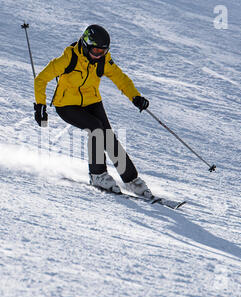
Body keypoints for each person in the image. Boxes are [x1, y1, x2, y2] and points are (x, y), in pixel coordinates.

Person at [33, 24, 152, 197]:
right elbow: (41, 79)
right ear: (85, 44)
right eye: (95, 51)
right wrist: (40, 106)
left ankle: (131, 180)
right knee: (95, 128)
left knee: (108, 135)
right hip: (67, 105)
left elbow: (121, 78)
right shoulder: (69, 58)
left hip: (92, 101)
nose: (98, 55)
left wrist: (135, 97)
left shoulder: (103, 60)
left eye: (102, 52)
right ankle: (98, 175)